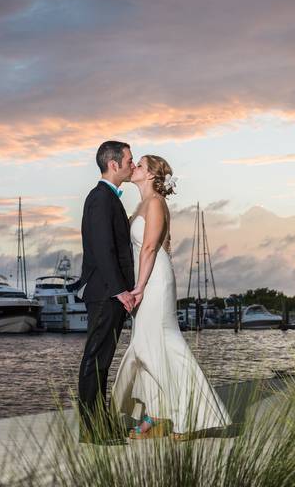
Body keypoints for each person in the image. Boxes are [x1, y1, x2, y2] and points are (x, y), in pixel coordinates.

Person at [110, 155, 231, 440]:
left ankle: (187, 416)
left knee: (162, 345)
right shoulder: (143, 203)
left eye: (140, 165)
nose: (134, 168)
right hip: (149, 277)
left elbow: (151, 247)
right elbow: (159, 245)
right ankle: (156, 417)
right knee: (147, 347)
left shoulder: (154, 203)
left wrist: (138, 287)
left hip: (153, 279)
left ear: (151, 175)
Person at [71, 140, 140, 445]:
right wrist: (120, 290)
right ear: (114, 164)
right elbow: (103, 249)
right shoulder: (100, 198)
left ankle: (100, 425)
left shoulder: (109, 198)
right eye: (129, 160)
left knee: (101, 363)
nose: (132, 164)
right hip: (105, 293)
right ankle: (91, 429)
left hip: (109, 293)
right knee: (95, 361)